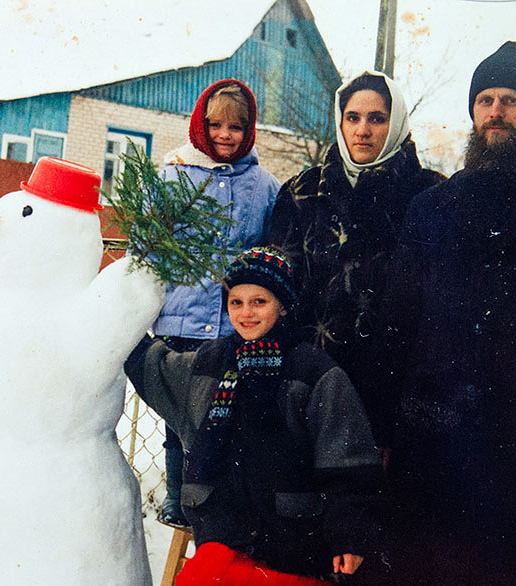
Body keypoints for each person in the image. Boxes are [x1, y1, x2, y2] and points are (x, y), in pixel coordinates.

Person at [379, 41, 516, 585]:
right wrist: (383, 429)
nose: (495, 112)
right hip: (429, 444)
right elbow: (396, 326)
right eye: (484, 100)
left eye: (511, 100)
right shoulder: (432, 207)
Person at [126, 247, 382, 585]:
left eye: (259, 301)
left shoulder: (312, 372)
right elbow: (155, 369)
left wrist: (348, 534)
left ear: (282, 304)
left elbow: (347, 462)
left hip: (293, 544)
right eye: (236, 302)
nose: (246, 313)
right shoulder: (210, 363)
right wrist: (117, 319)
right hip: (222, 537)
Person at [269, 71, 443, 447]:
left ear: (395, 123)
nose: (362, 130)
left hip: (392, 389)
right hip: (309, 382)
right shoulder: (302, 192)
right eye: (353, 117)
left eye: (377, 118)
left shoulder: (430, 195)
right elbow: (275, 290)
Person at [153, 79, 280, 527]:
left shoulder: (264, 185)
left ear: (250, 131)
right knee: (178, 419)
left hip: (233, 325)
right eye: (216, 125)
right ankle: (176, 495)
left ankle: (217, 497)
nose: (225, 135)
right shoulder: (173, 177)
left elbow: (271, 248)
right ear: (201, 125)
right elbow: (152, 247)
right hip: (182, 321)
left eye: (236, 127)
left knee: (223, 416)